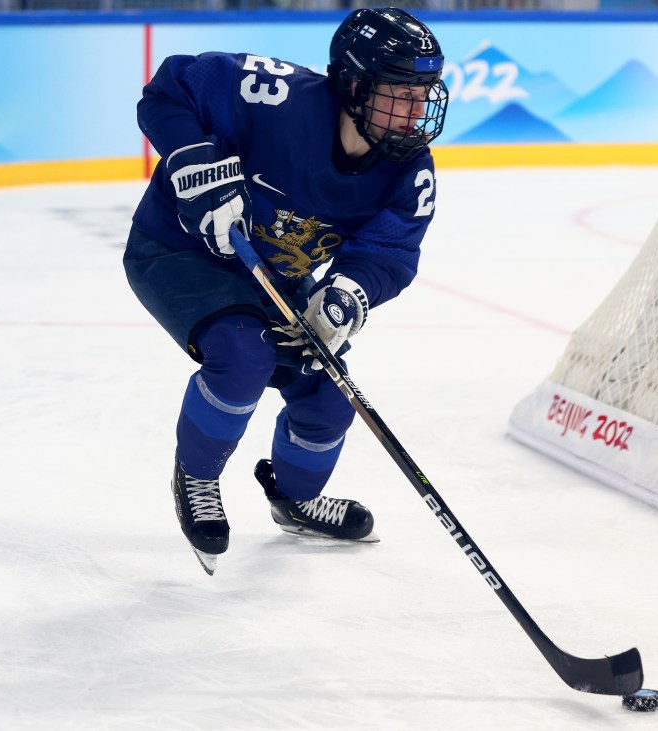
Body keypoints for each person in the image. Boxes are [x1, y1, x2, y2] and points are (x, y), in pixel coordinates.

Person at [123, 7, 448, 574]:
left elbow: (389, 252)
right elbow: (167, 88)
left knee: (327, 395)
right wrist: (193, 160)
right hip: (178, 253)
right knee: (243, 355)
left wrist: (347, 292)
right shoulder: (272, 97)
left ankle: (294, 498)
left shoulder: (409, 169)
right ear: (353, 85)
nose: (416, 112)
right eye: (402, 93)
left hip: (276, 278)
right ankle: (198, 477)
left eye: (425, 96)